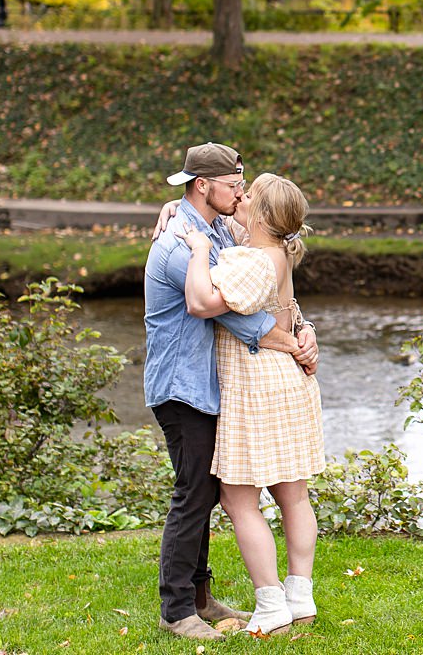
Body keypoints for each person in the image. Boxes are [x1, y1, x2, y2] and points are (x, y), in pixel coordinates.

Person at [144, 143, 319, 641]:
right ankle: (178, 610)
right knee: (195, 494)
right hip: (183, 387)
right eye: (233, 185)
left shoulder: (215, 227)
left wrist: (304, 327)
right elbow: (238, 318)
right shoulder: (180, 244)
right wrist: (295, 344)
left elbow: (268, 261)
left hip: (216, 384)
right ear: (205, 186)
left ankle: (200, 597)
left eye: (245, 185)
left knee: (210, 493)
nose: (241, 193)